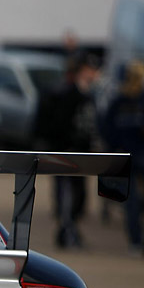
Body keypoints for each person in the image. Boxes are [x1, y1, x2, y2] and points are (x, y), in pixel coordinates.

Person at [34, 53, 100, 248]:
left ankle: (70, 231)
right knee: (67, 194)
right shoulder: (67, 94)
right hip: (67, 152)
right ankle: (67, 232)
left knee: (78, 196)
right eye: (89, 70)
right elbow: (59, 124)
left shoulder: (89, 94)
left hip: (81, 154)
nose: (93, 74)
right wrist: (65, 145)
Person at [103, 61, 144, 254]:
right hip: (135, 156)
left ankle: (143, 240)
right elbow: (107, 129)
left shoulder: (142, 101)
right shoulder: (126, 101)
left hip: (139, 155)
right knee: (137, 202)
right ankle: (141, 240)